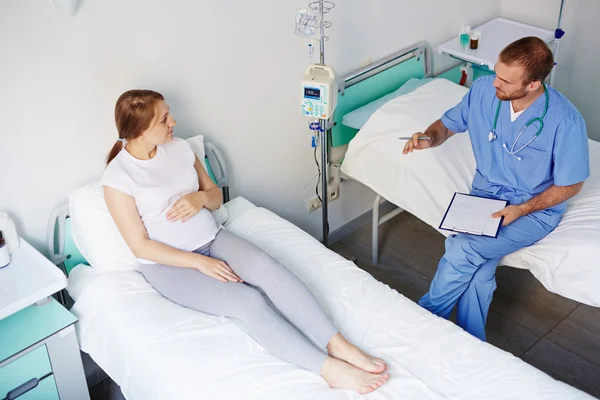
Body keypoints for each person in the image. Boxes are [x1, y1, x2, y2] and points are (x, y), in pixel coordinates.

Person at [102, 89, 390, 394]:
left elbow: (215, 197)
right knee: (248, 301)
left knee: (268, 268)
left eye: (169, 112)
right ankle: (328, 369)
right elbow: (140, 246)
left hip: (212, 238)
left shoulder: (181, 148)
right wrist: (202, 263)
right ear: (142, 130)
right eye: (164, 118)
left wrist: (198, 199)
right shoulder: (118, 178)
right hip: (168, 266)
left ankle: (338, 344)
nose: (173, 120)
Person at [402, 37, 590, 341]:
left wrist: (523, 209)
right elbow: (448, 125)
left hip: (532, 210)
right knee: (479, 271)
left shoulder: (565, 121)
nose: (494, 83)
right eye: (496, 73)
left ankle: (424, 320)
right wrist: (427, 138)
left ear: (532, 85)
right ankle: (472, 339)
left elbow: (571, 185)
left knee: (463, 248)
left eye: (505, 80)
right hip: (484, 196)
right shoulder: (483, 90)